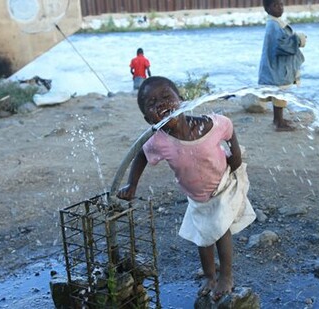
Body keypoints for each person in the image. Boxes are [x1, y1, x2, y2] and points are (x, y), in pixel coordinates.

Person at [116, 76, 256, 301]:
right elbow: (141, 154)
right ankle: (210, 276)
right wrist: (132, 184)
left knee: (220, 230)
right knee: (203, 237)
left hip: (222, 186)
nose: (161, 104)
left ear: (181, 100)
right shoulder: (159, 141)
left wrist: (236, 156)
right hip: (197, 196)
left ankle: (226, 276)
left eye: (166, 97)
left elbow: (228, 127)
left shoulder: (207, 125)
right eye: (152, 104)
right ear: (147, 118)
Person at [258, 0, 306, 131]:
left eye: (281, 4)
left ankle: (278, 119)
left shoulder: (275, 23)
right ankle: (278, 122)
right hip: (277, 67)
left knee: (279, 94)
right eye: (275, 5)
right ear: (267, 9)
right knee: (280, 94)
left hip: (275, 67)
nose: (279, 8)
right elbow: (282, 46)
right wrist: (299, 39)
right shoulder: (274, 25)